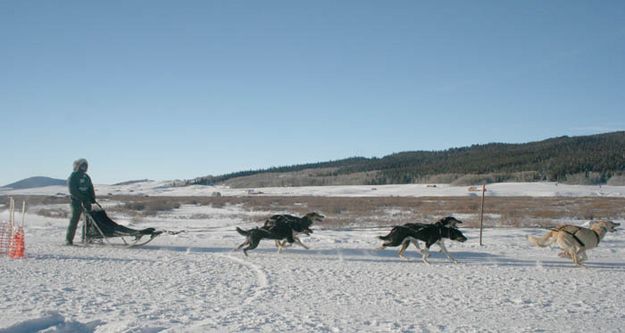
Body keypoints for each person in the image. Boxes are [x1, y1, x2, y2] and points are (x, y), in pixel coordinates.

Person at [66, 158, 96, 245]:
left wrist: (92, 197)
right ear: (77, 166)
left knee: (88, 221)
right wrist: (81, 197)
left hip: (86, 201)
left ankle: (86, 237)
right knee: (74, 220)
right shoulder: (73, 176)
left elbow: (90, 188)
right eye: (82, 165)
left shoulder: (86, 177)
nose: (84, 167)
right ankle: (69, 239)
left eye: (85, 166)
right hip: (76, 201)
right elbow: (72, 190)